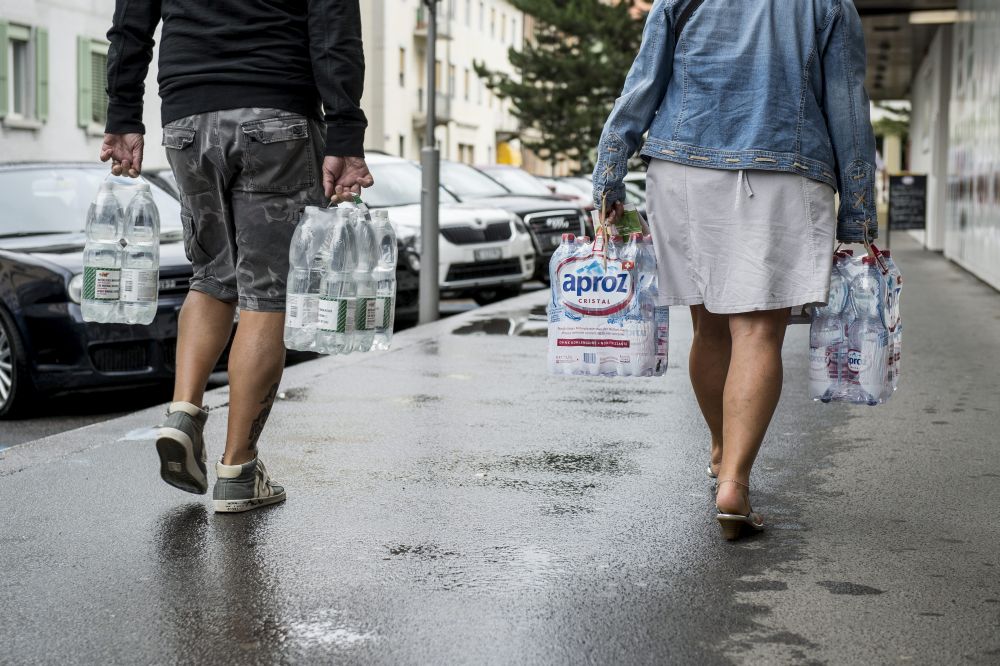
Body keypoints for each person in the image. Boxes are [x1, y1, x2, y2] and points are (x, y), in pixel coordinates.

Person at [593, 0, 877, 540]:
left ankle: (722, 447)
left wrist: (609, 171)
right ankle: (736, 484)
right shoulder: (829, 5)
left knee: (709, 326)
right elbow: (847, 106)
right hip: (783, 171)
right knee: (758, 334)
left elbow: (642, 83)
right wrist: (859, 214)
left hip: (682, 172)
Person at [100, 0, 373, 512]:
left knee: (213, 276)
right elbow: (335, 29)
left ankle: (183, 410)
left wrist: (122, 115)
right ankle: (239, 471)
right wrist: (346, 133)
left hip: (187, 117)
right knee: (267, 294)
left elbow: (130, 26)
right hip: (276, 111)